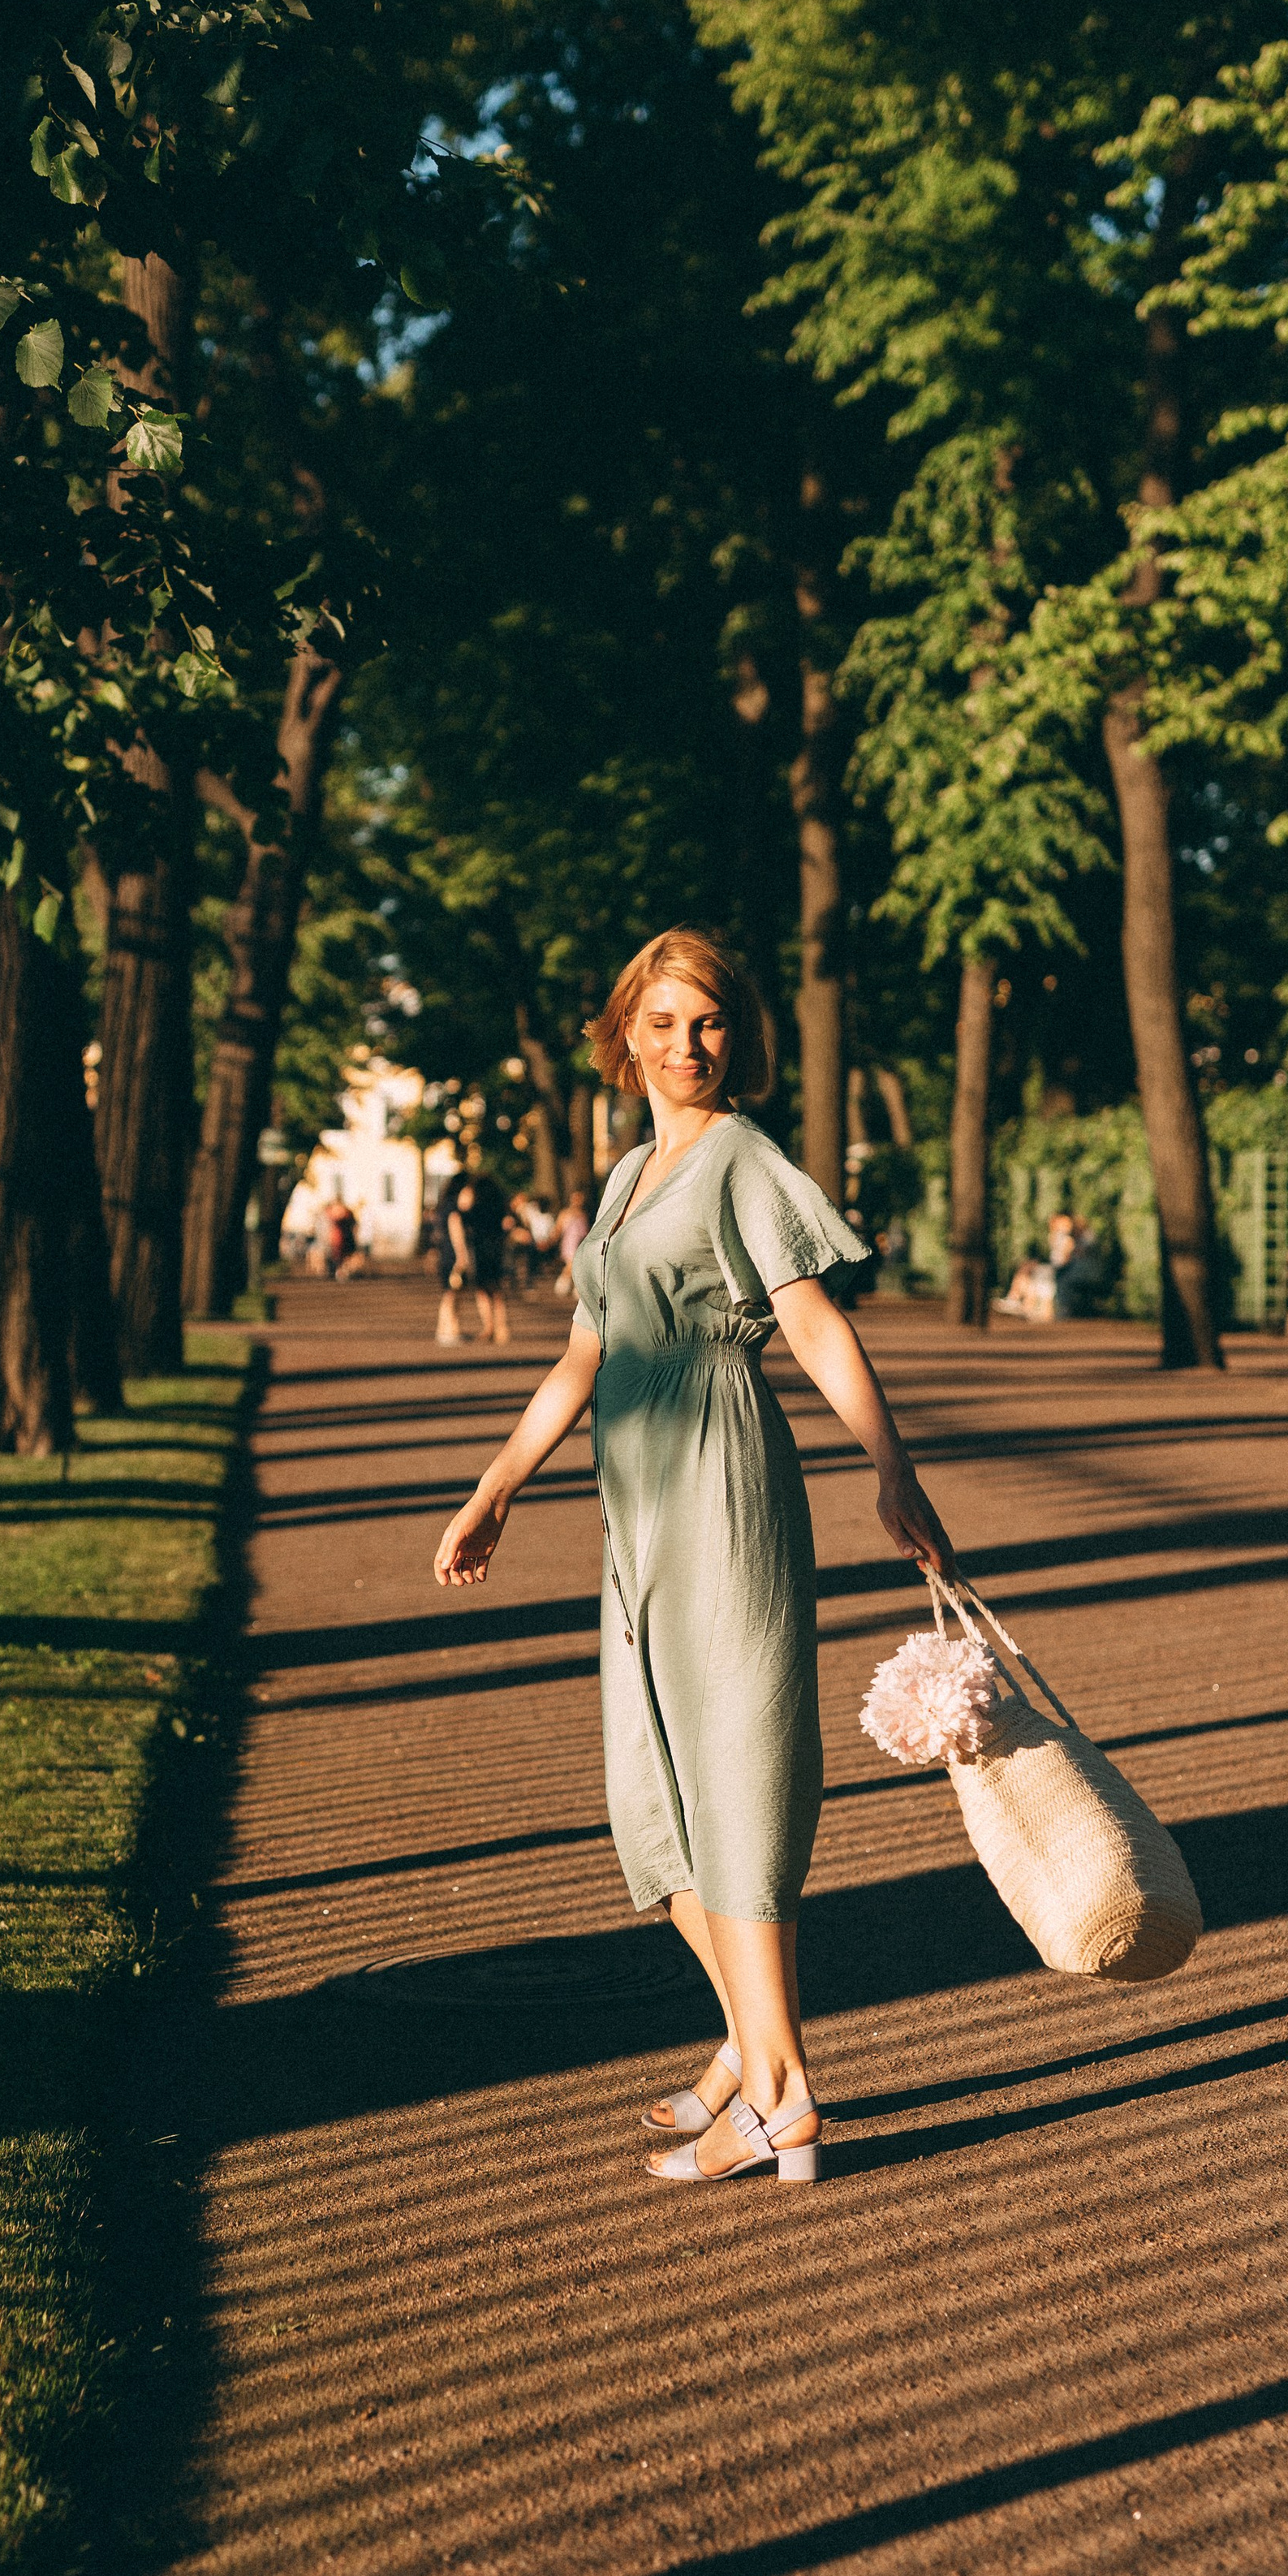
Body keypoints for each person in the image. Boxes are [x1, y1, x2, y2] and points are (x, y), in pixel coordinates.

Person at [433, 926, 953, 2183]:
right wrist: (499, 1484)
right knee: (649, 1794)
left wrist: (894, 1469)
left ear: (740, 1033)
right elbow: (585, 1352)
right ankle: (746, 2053)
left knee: (737, 1774)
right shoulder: (621, 1185)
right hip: (635, 1512)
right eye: (660, 1024)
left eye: (708, 1020)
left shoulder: (742, 1161)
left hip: (724, 1489)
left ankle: (779, 2093)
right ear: (625, 1037)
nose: (685, 1046)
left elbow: (814, 1325)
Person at [437, 1171, 511, 1345]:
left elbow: (459, 1221)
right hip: (490, 1251)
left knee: (477, 1291)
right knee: (492, 1291)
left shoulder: (467, 1210)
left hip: (478, 1253)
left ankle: (487, 1328)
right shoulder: (495, 1207)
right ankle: (498, 1328)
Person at [553, 1185, 591, 1300]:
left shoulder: (583, 1214)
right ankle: (563, 1286)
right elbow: (558, 1229)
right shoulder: (565, 1213)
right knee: (571, 1265)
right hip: (569, 1243)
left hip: (580, 1243)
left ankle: (574, 1288)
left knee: (576, 1266)